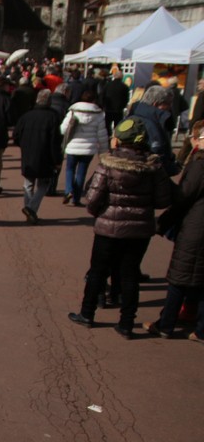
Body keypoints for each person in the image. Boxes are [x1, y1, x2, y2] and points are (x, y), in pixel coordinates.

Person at [68, 117, 173, 338]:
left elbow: (93, 198)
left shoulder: (108, 165)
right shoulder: (154, 167)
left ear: (119, 140)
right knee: (129, 275)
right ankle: (126, 323)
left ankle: (87, 313)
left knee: (98, 271)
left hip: (108, 227)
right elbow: (164, 199)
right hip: (140, 229)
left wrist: (99, 213)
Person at [144, 124, 204, 340]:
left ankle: (166, 324)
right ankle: (197, 325)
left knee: (179, 278)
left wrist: (164, 220)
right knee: (199, 278)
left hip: (196, 228)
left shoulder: (200, 165)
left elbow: (183, 197)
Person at [13, 89, 62, 224]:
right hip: (45, 155)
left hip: (28, 153)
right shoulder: (53, 117)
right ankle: (31, 208)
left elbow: (16, 135)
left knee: (28, 183)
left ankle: (29, 211)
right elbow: (55, 141)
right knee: (44, 183)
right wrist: (57, 160)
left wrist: (23, 144)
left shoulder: (26, 116)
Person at [59, 89, 109, 207]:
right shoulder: (99, 115)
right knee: (81, 173)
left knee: (70, 169)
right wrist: (103, 151)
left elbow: (63, 129)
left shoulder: (72, 112)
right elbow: (102, 134)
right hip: (89, 148)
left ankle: (68, 190)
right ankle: (76, 198)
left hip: (72, 146)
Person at [129, 84, 180, 176]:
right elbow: (157, 152)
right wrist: (172, 168)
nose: (169, 107)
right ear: (156, 104)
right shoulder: (151, 124)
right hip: (147, 175)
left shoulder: (135, 116)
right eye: (167, 104)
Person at [101, 69, 130, 136]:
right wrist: (123, 106)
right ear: (122, 77)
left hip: (108, 108)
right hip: (119, 110)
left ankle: (108, 136)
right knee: (118, 125)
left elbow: (102, 96)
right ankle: (115, 137)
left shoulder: (107, 85)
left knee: (107, 125)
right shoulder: (124, 87)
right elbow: (126, 99)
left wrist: (103, 105)